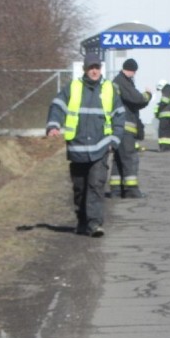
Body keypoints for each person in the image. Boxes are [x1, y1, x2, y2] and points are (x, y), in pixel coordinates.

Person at [46, 53, 125, 236]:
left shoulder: (109, 89)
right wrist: (53, 125)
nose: (95, 71)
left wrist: (114, 140)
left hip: (101, 147)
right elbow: (58, 106)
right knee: (80, 188)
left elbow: (119, 116)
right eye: (91, 68)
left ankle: (95, 224)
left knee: (96, 185)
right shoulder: (73, 88)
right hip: (77, 148)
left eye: (97, 67)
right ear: (85, 70)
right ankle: (82, 220)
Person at [109, 58, 152, 198]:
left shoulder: (120, 81)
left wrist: (144, 99)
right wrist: (148, 95)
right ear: (132, 70)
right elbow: (137, 99)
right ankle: (131, 190)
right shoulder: (122, 82)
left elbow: (136, 103)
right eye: (134, 72)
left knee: (118, 159)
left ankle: (116, 190)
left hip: (118, 127)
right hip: (125, 128)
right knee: (130, 158)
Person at [155, 79, 170, 151]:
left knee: (162, 131)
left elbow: (165, 101)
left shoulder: (166, 90)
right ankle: (169, 147)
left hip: (164, 114)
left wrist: (158, 109)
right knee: (168, 131)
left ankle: (163, 147)